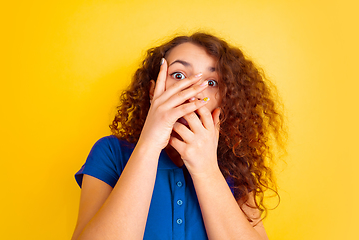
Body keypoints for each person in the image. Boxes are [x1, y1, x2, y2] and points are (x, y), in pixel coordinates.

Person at [72, 32, 285, 240]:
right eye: (179, 75)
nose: (193, 91)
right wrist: (150, 144)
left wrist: (206, 169)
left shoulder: (235, 164)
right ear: (153, 90)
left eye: (211, 83)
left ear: (224, 100)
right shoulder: (110, 153)